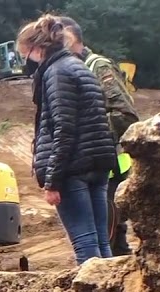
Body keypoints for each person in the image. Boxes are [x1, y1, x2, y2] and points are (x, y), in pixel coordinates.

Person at [18, 15, 120, 264]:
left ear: (38, 48)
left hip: (74, 169)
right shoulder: (79, 67)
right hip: (98, 164)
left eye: (25, 54)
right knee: (101, 243)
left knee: (85, 244)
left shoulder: (55, 73)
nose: (26, 61)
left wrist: (52, 181)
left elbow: (63, 129)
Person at [57, 16, 141, 257]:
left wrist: (88, 134)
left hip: (111, 164)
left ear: (70, 38)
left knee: (109, 237)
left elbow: (125, 114)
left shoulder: (98, 66)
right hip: (95, 162)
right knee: (104, 239)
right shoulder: (72, 69)